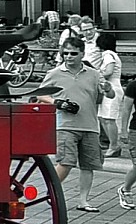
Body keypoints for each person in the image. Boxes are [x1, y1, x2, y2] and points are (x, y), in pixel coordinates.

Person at [40, 50, 108, 213]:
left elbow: (106, 95)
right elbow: (41, 94)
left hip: (90, 125)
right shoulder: (55, 73)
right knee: (66, 161)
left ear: (81, 54)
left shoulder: (93, 74)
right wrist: (57, 102)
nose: (69, 56)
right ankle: (51, 192)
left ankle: (84, 201)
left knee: (88, 165)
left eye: (73, 53)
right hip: (65, 124)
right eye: (66, 53)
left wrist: (108, 89)